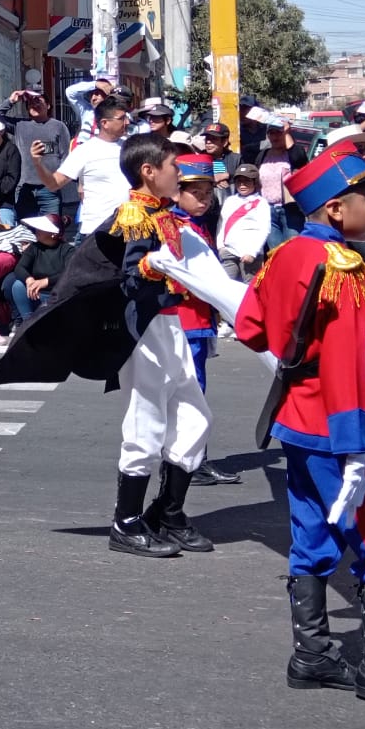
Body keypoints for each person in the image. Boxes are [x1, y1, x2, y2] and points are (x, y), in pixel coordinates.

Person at [234, 146, 365, 703]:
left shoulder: (283, 254)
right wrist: (356, 445)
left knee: (311, 531)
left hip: (297, 418)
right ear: (336, 210)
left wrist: (297, 362)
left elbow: (249, 327)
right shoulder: (342, 267)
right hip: (341, 424)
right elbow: (345, 363)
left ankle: (312, 654)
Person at [104, 132, 213, 559]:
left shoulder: (163, 214)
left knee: (193, 416)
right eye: (173, 166)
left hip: (170, 325)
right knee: (145, 423)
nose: (179, 173)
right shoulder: (133, 214)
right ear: (149, 172)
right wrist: (153, 266)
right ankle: (126, 521)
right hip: (145, 330)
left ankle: (167, 510)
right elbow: (127, 277)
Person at [166, 155, 240, 487]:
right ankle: (189, 462)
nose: (204, 199)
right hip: (185, 321)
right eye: (196, 192)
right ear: (177, 191)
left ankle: (196, 458)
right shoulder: (173, 226)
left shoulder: (195, 225)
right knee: (190, 394)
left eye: (208, 192)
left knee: (197, 392)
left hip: (199, 320)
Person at [29, 96, 131, 239]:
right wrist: (37, 163)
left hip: (131, 228)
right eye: (122, 118)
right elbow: (54, 184)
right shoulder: (85, 151)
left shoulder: (131, 146)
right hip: (99, 230)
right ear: (105, 123)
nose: (127, 122)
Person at [11, 91, 70, 222]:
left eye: (39, 101)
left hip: (49, 189)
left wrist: (58, 182)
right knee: (26, 232)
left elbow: (65, 157)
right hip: (24, 188)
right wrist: (12, 100)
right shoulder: (19, 125)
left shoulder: (58, 126)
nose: (35, 105)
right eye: (31, 102)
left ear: (48, 105)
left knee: (51, 231)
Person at [255, 120, 310, 249]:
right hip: (267, 210)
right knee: (274, 253)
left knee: (292, 249)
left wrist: (286, 131)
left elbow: (299, 159)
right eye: (271, 133)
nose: (274, 137)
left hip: (291, 210)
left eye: (278, 133)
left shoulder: (294, 153)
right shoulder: (262, 155)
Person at [7, 215, 69, 320]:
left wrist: (45, 282)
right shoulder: (34, 248)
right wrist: (29, 279)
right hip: (36, 294)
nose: (36, 230)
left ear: (53, 234)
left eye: (41, 228)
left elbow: (71, 273)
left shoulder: (67, 250)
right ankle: (28, 323)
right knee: (18, 285)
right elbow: (20, 267)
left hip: (58, 295)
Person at [217, 164, 270, 283]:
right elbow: (222, 223)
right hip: (228, 251)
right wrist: (220, 246)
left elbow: (264, 229)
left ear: (255, 182)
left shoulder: (261, 203)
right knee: (224, 285)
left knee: (249, 289)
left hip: (249, 254)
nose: (242, 185)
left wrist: (252, 252)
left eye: (247, 181)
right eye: (239, 181)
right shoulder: (230, 201)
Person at [63, 77, 114, 141]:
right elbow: (69, 92)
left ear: (107, 96)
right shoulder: (86, 110)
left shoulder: (115, 115)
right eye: (91, 94)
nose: (93, 98)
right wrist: (95, 84)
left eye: (97, 94)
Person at [200, 123, 240, 193]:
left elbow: (244, 178)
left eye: (213, 139)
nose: (208, 142)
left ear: (224, 142)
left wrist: (228, 175)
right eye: (207, 138)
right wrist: (211, 180)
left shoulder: (236, 159)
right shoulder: (199, 159)